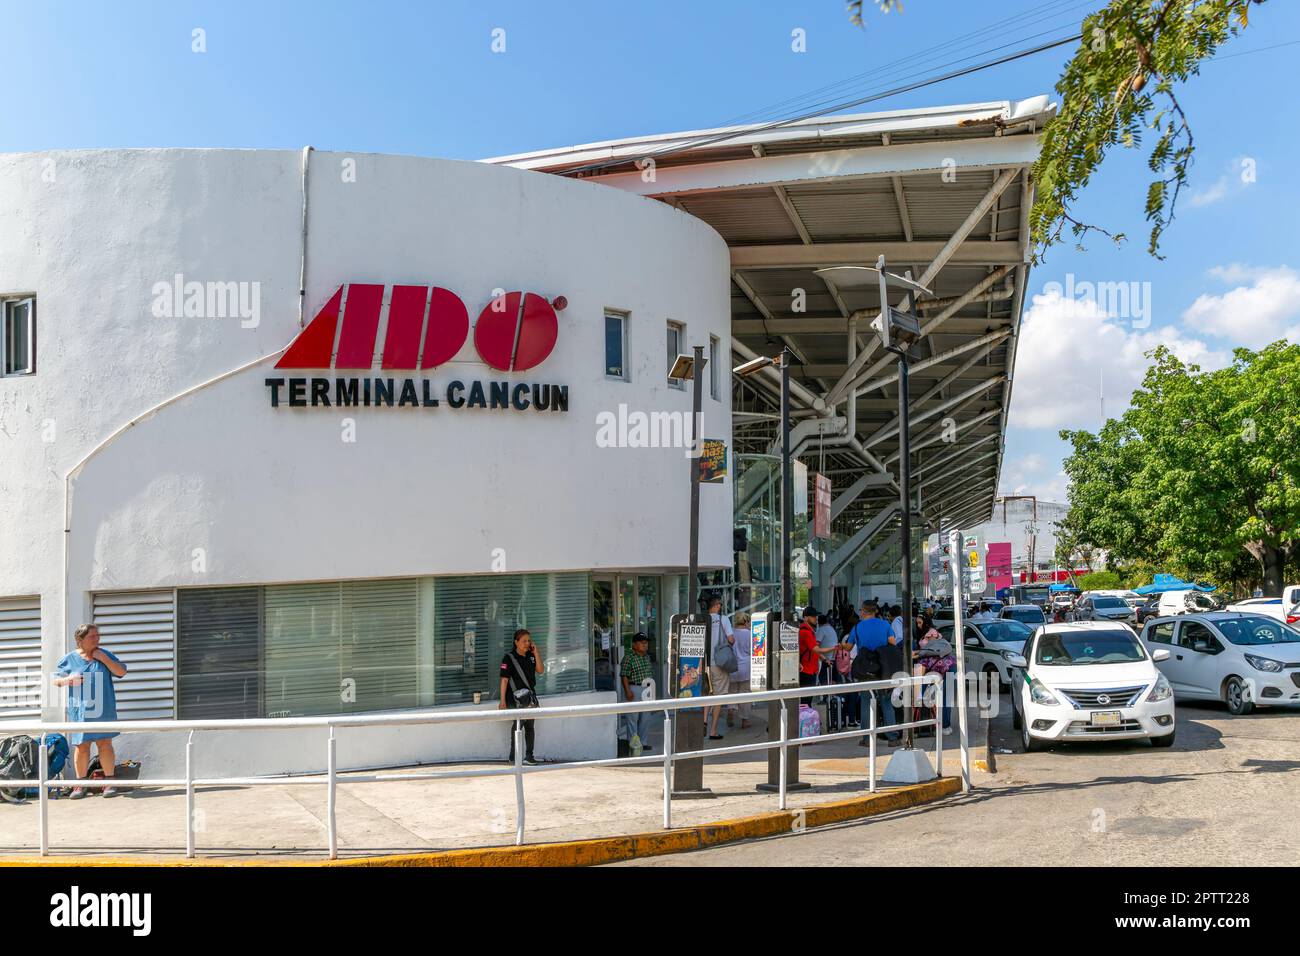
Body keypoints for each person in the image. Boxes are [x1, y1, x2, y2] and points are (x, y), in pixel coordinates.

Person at [54, 624, 128, 799]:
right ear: (80, 640)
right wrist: (68, 680)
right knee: (82, 746)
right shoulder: (69, 659)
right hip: (80, 711)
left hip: (104, 708)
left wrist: (103, 658)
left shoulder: (104, 653)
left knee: (105, 744)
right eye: (92, 636)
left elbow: (121, 671)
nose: (97, 639)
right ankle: (80, 785)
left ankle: (109, 783)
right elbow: (55, 680)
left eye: (97, 635)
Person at [843, 603, 899, 744]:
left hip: (865, 669)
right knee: (886, 702)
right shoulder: (885, 625)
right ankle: (892, 737)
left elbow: (848, 648)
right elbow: (892, 643)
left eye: (860, 610)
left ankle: (867, 738)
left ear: (863, 612)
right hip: (882, 668)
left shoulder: (857, 627)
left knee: (866, 702)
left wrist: (841, 645)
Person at [499, 628, 544, 765]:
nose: (527, 643)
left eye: (529, 641)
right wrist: (502, 701)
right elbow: (504, 680)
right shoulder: (509, 658)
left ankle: (528, 756)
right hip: (516, 699)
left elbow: (540, 670)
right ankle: (514, 757)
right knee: (518, 725)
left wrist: (536, 653)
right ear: (516, 642)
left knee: (530, 726)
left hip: (530, 698)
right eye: (524, 641)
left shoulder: (531, 656)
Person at [705, 595, 735, 740]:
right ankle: (713, 731)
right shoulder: (723, 619)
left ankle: (704, 721)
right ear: (716, 605)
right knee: (719, 696)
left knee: (709, 694)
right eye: (720, 604)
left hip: (705, 664)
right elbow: (730, 639)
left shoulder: (703, 620)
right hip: (719, 662)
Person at [620, 632, 654, 753]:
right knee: (632, 718)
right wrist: (627, 691)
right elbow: (624, 675)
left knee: (645, 718)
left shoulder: (647, 657)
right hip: (634, 688)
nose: (645, 645)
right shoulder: (629, 657)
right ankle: (633, 744)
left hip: (647, 689)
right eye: (642, 642)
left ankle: (643, 743)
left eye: (646, 643)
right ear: (634, 644)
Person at [730, 612, 753, 729]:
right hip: (746, 667)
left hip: (732, 667)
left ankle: (731, 710)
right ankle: (745, 720)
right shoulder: (750, 634)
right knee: (745, 693)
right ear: (746, 621)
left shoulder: (731, 633)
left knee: (732, 692)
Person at [797, 606, 826, 689]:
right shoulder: (805, 632)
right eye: (813, 616)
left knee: (807, 698)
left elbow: (813, 648)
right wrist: (833, 648)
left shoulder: (809, 631)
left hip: (810, 669)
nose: (815, 619)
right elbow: (815, 649)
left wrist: (823, 658)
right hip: (806, 670)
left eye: (816, 616)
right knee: (806, 699)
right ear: (805, 618)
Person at [815, 613, 839, 693]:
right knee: (831, 678)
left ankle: (825, 697)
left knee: (823, 678)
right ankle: (831, 696)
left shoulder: (821, 630)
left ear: (818, 622)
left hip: (825, 658)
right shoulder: (832, 629)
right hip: (833, 657)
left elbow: (816, 646)